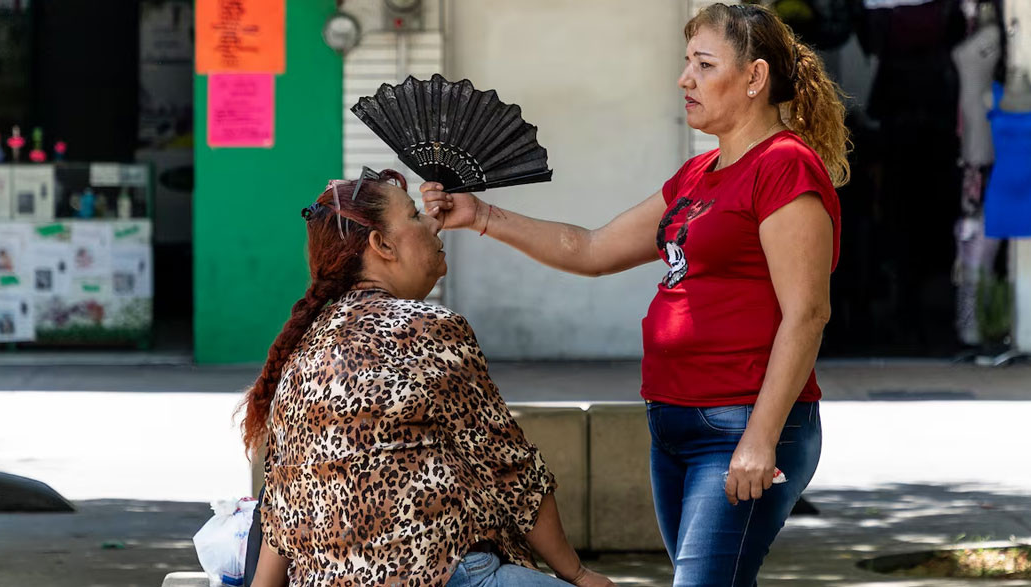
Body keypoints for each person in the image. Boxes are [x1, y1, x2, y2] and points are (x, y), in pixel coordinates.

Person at [422, 4, 848, 586]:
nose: (684, 79)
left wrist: (761, 437)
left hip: (741, 422)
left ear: (754, 78)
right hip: (672, 423)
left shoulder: (783, 168)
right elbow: (591, 249)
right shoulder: (697, 176)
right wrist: (481, 215)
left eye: (703, 64)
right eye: (685, 63)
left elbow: (808, 313)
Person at [239, 167, 615, 587]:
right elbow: (512, 472)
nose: (435, 224)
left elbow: (282, 508)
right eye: (416, 215)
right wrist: (577, 573)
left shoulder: (303, 347)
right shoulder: (425, 328)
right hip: (444, 574)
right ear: (382, 245)